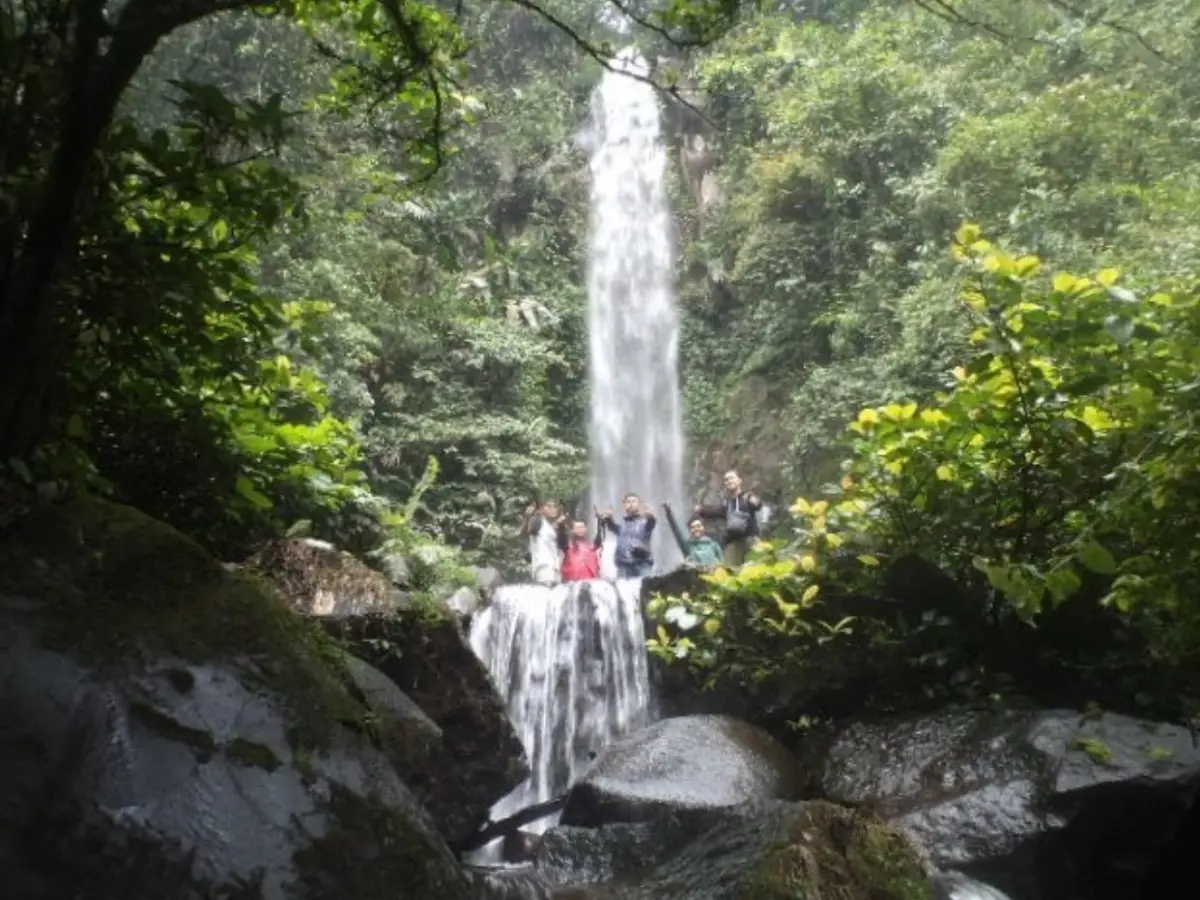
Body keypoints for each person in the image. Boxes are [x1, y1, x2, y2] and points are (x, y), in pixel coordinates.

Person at [694, 469, 763, 568]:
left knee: (756, 569)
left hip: (750, 539)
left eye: (731, 478)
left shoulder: (747, 497)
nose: (729, 481)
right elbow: (715, 511)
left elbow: (758, 505)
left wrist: (755, 502)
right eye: (726, 480)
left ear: (739, 481)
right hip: (733, 542)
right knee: (730, 571)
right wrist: (701, 510)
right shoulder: (727, 503)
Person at [598, 493, 656, 579]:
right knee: (623, 591)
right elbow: (612, 527)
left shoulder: (644, 522)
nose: (631, 504)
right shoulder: (622, 525)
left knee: (644, 590)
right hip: (623, 565)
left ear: (639, 504)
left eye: (634, 501)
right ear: (624, 505)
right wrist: (607, 518)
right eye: (628, 502)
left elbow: (651, 523)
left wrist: (651, 516)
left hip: (642, 564)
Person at [662, 501, 724, 567]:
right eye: (693, 527)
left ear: (703, 528)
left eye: (698, 526)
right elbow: (677, 532)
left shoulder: (713, 545)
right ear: (691, 531)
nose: (696, 529)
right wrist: (669, 512)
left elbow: (722, 563)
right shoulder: (688, 547)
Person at [522, 499, 567, 585]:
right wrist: (527, 518)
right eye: (549, 506)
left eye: (554, 507)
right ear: (541, 509)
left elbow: (562, 547)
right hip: (543, 567)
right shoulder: (537, 521)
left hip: (555, 568)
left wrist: (561, 527)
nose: (553, 509)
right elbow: (526, 533)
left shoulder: (551, 527)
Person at [561, 518, 604, 583]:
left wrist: (599, 524)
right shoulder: (569, 547)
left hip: (590, 581)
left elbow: (598, 542)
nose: (580, 530)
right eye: (577, 528)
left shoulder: (590, 547)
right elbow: (561, 540)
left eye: (581, 527)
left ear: (585, 529)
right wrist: (561, 527)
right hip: (573, 582)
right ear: (573, 530)